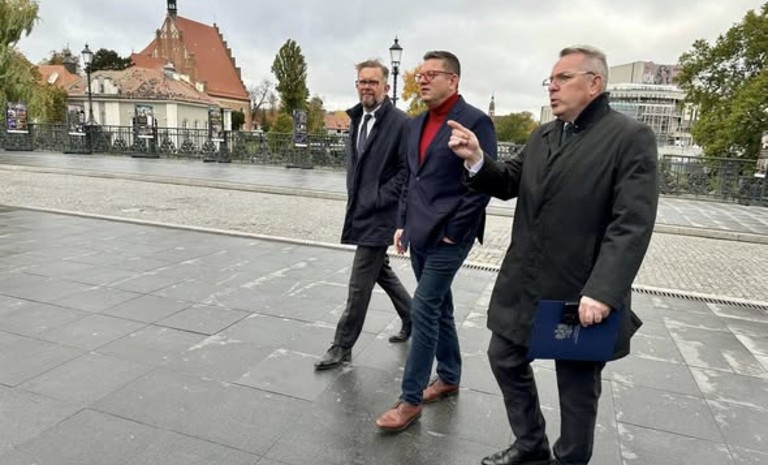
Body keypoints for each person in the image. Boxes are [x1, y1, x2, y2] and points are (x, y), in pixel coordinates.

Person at [448, 45, 658, 465]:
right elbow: (508, 180)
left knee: (576, 386)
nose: (552, 87)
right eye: (551, 79)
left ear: (594, 84)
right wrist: (477, 159)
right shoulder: (543, 134)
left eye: (563, 78)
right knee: (504, 358)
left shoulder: (629, 137)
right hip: (525, 283)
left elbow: (632, 223)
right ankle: (531, 445)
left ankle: (570, 459)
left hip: (581, 291)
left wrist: (603, 291)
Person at [375, 51, 497, 431]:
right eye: (420, 75)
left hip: (450, 236)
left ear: (453, 80)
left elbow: (483, 184)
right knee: (440, 306)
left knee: (424, 309)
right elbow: (411, 179)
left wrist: (454, 231)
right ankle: (449, 375)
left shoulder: (475, 121)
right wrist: (403, 223)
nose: (422, 80)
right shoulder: (417, 123)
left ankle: (410, 400)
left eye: (431, 74)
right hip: (419, 232)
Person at [315, 59, 413, 370]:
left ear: (385, 86)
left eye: (373, 82)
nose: (366, 87)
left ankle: (342, 345)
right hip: (361, 209)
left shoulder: (401, 123)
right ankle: (413, 317)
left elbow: (406, 171)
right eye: (362, 81)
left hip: (382, 214)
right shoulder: (357, 118)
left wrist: (377, 197)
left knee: (359, 283)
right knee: (380, 271)